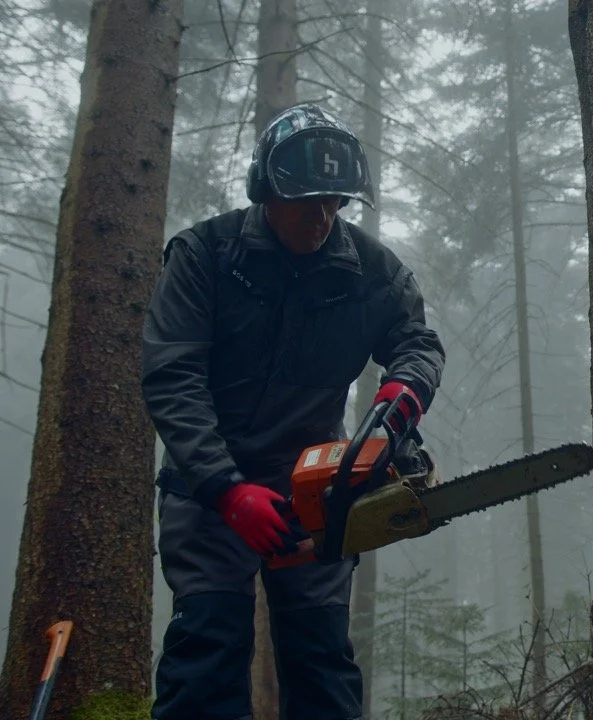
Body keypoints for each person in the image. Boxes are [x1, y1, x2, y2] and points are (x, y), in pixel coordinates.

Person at [140, 103, 446, 720]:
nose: (321, 216)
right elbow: (172, 377)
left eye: (335, 201)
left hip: (316, 490)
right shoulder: (204, 256)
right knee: (205, 657)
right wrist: (226, 489)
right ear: (266, 191)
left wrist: (400, 399)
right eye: (307, 201)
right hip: (209, 490)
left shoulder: (371, 270)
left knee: (322, 662)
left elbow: (417, 342)